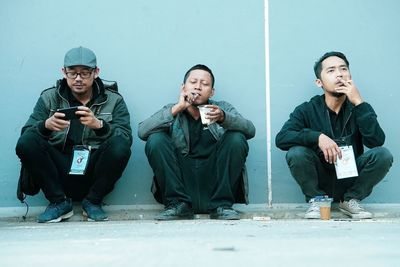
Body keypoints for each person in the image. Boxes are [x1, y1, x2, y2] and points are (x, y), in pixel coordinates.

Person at [16, 46, 132, 223]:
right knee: (28, 142)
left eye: (85, 73)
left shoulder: (114, 100)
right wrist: (45, 126)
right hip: (58, 170)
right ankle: (58, 203)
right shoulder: (49, 98)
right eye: (72, 73)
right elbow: (26, 136)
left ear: (96, 72)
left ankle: (93, 202)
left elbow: (125, 138)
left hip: (93, 169)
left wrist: (100, 126)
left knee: (120, 146)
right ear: (64, 72)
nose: (78, 79)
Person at [275, 51, 393, 219]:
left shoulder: (359, 108)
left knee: (383, 155)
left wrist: (359, 103)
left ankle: (350, 201)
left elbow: (376, 141)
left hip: (350, 178)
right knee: (296, 152)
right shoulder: (308, 109)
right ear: (319, 82)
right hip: (320, 176)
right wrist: (317, 137)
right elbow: (282, 138)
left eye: (343, 69)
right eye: (331, 71)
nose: (339, 74)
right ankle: (317, 201)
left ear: (350, 75)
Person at [138, 64, 255, 220]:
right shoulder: (172, 110)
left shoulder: (221, 108)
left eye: (205, 84)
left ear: (211, 92)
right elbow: (142, 131)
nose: (198, 87)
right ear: (183, 88)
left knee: (236, 138)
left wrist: (223, 117)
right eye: (193, 82)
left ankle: (221, 205)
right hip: (182, 184)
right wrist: (178, 108)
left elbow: (250, 129)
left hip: (214, 182)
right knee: (156, 139)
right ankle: (177, 205)